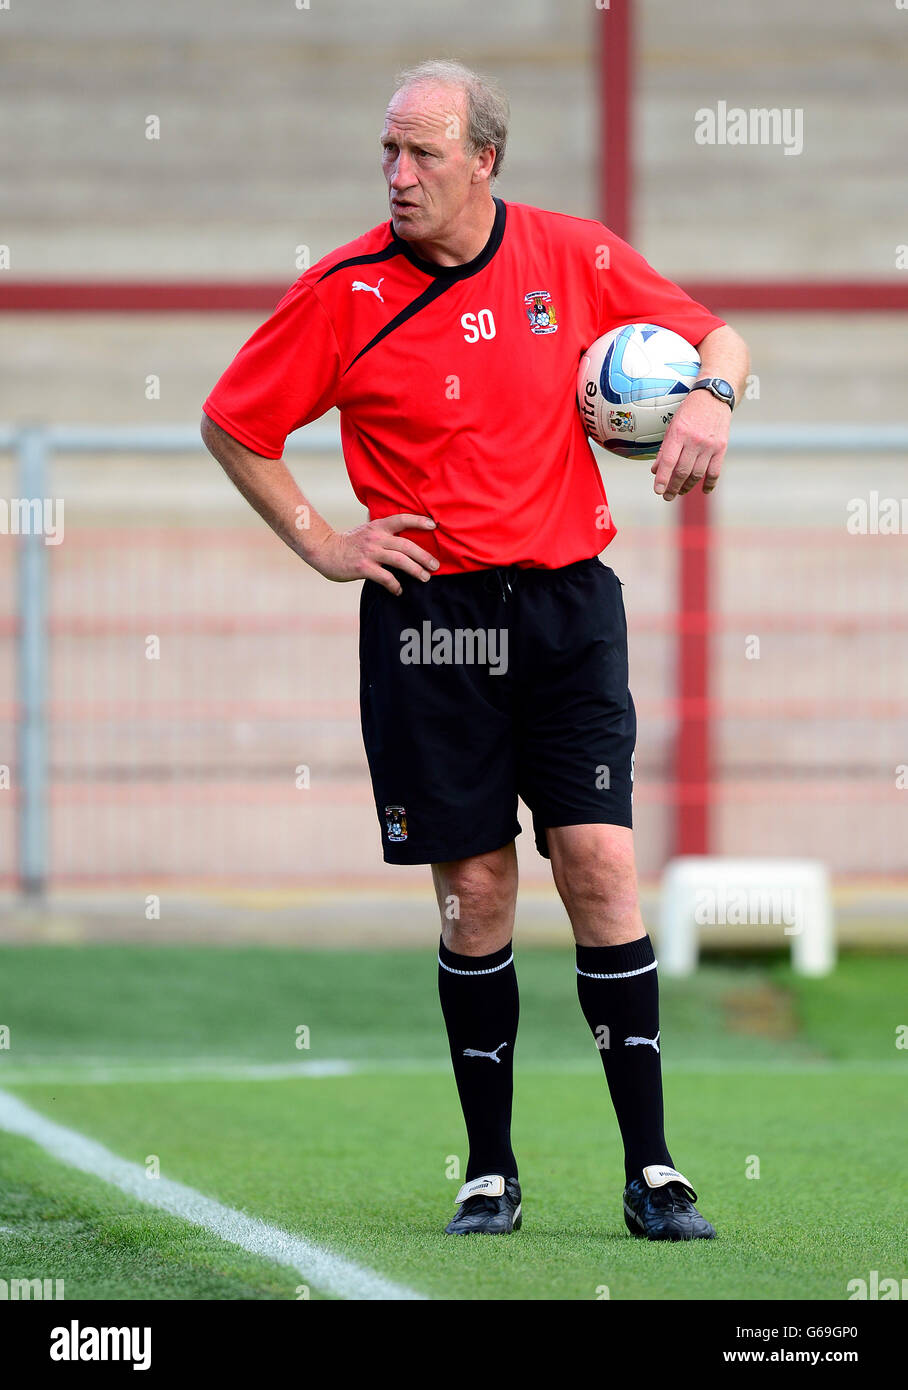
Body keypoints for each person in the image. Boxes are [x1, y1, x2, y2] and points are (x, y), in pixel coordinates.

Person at [201, 58, 750, 1240]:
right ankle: (489, 1169)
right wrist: (323, 545)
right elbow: (232, 422)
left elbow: (722, 340)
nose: (398, 176)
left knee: (598, 863)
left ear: (482, 160)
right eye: (388, 154)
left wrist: (708, 396)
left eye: (423, 154)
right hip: (428, 623)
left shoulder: (573, 254)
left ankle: (652, 1169)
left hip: (564, 611)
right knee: (475, 891)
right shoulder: (343, 290)